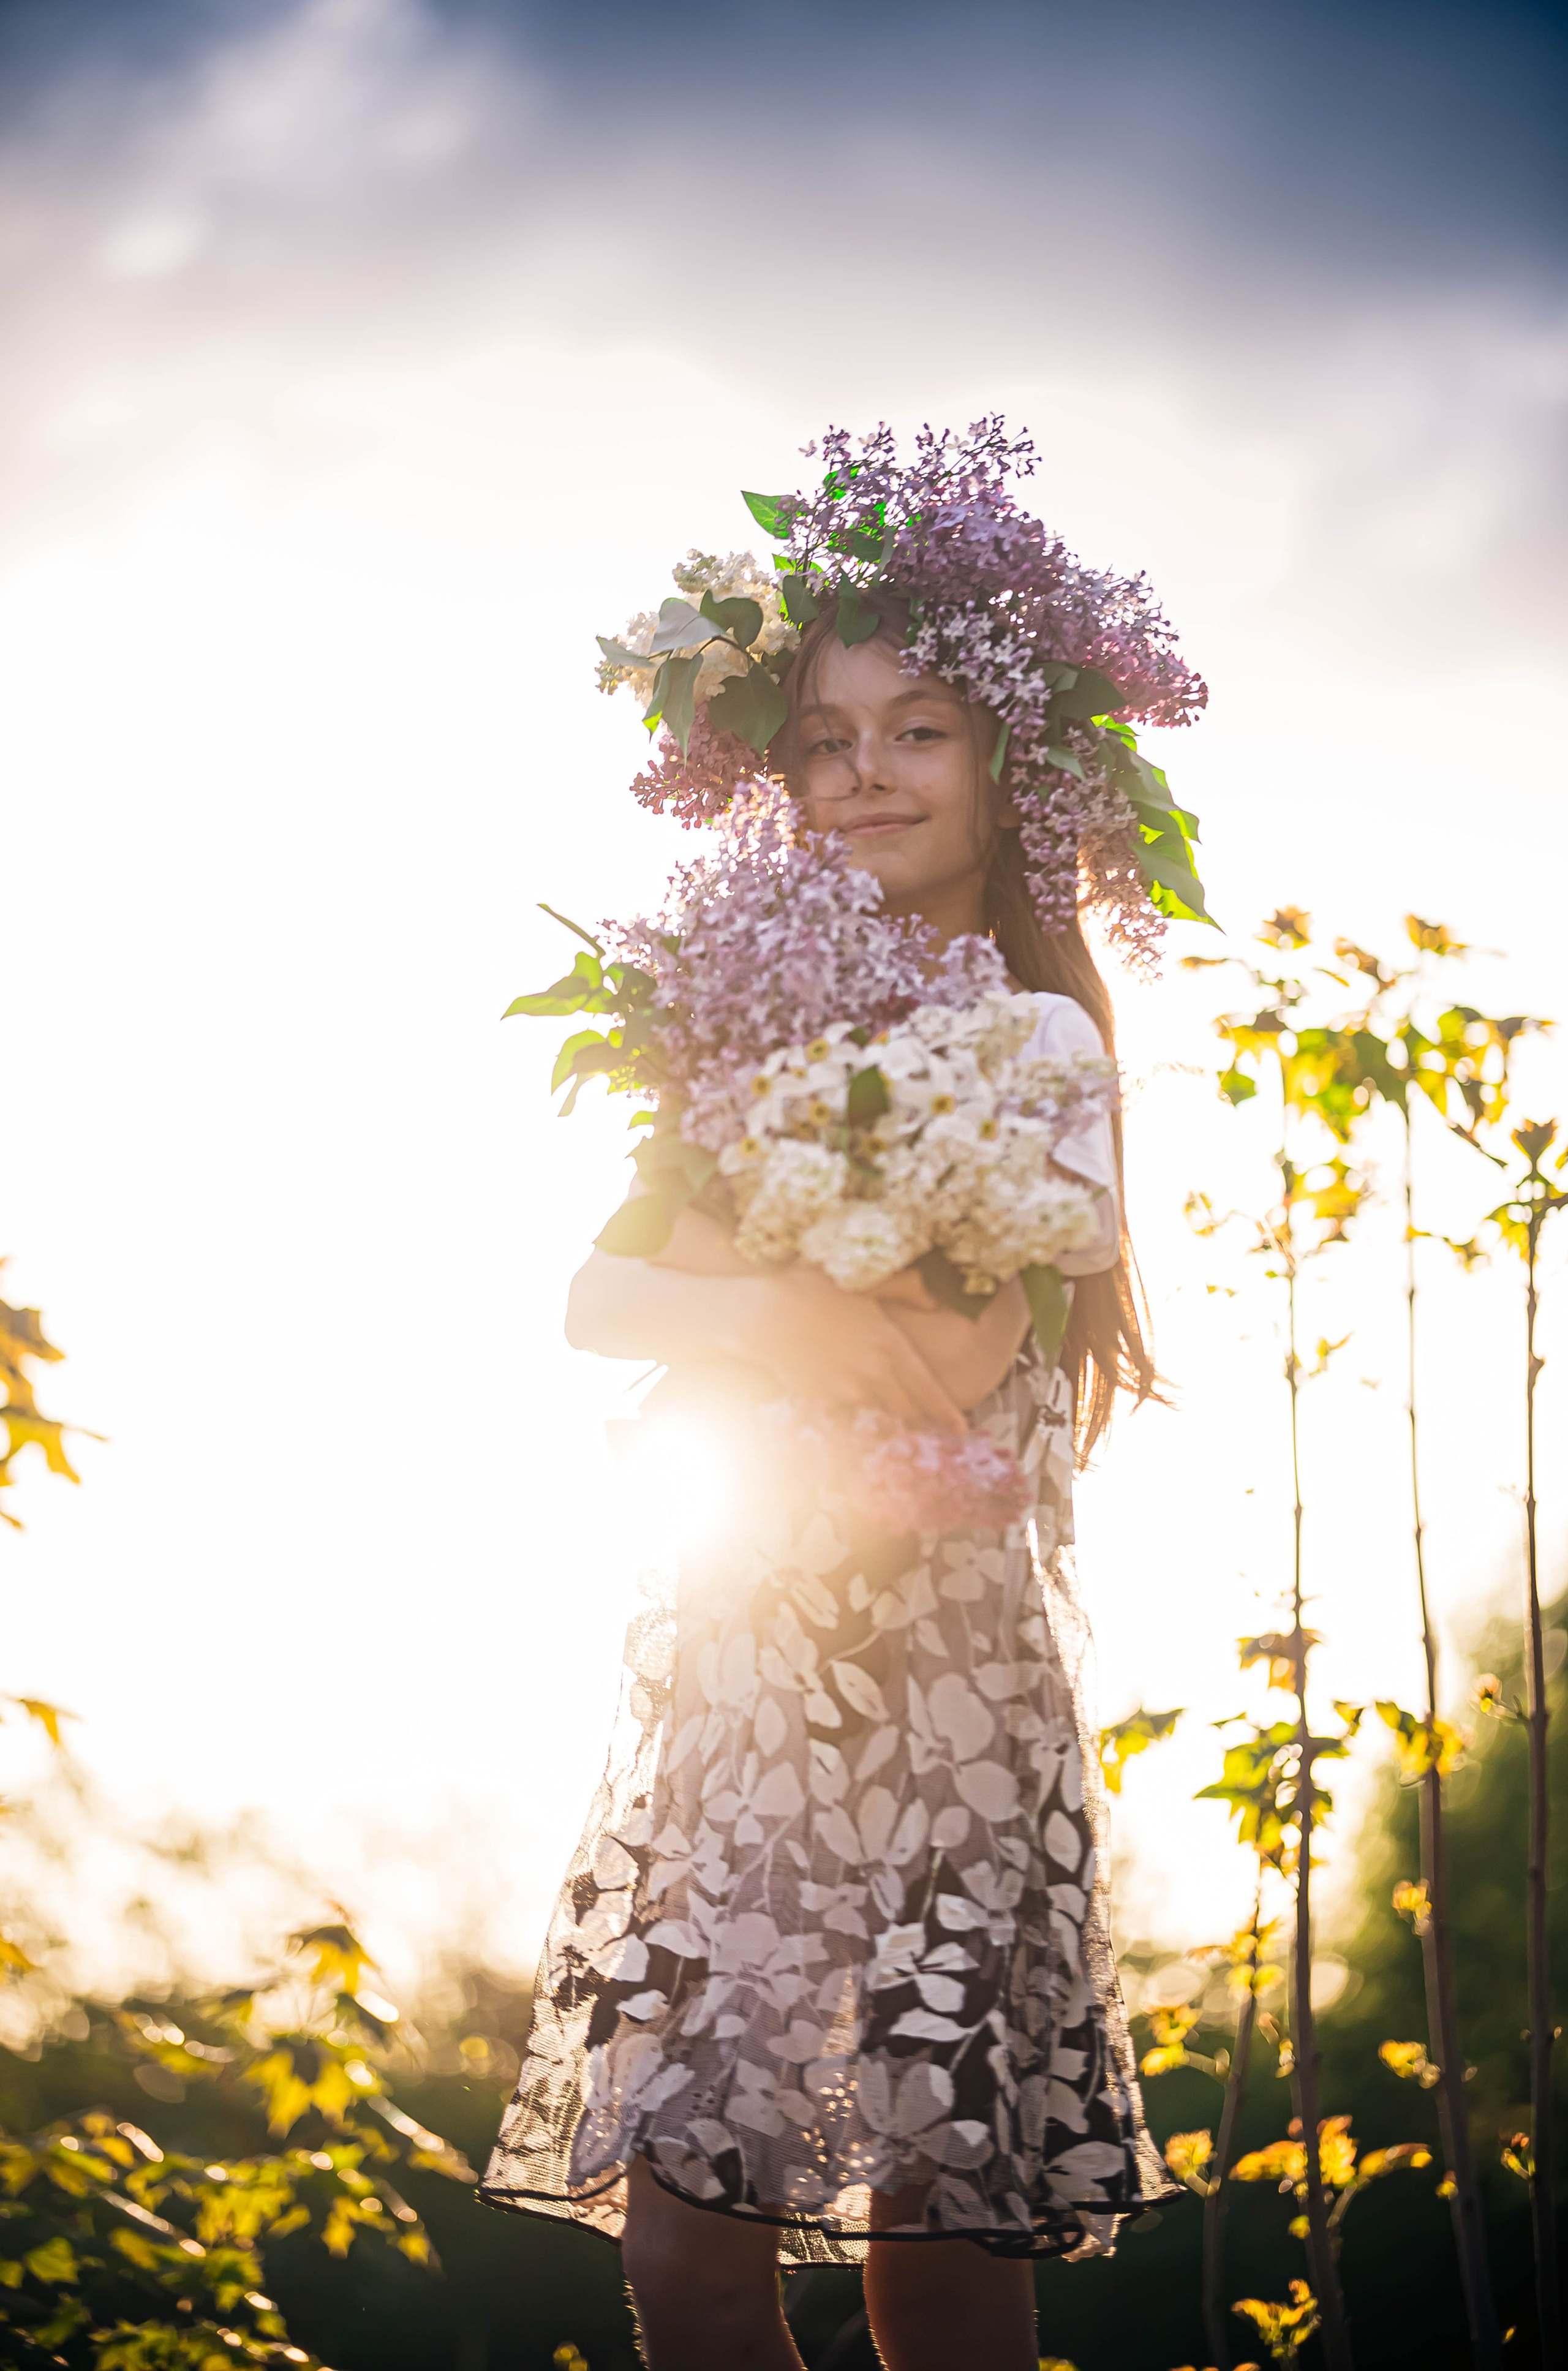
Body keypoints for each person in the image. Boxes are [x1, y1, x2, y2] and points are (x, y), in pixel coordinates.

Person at [483, 429, 1208, 2369]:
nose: (865, 774)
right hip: (739, 1696)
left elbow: (958, 1362)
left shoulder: (1039, 1035)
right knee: (684, 2266)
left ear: (1008, 773)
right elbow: (590, 1297)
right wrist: (772, 1312)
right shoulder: (726, 1015)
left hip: (950, 1720)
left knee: (937, 2276)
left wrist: (741, 1298)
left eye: (921, 731)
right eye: (825, 739)